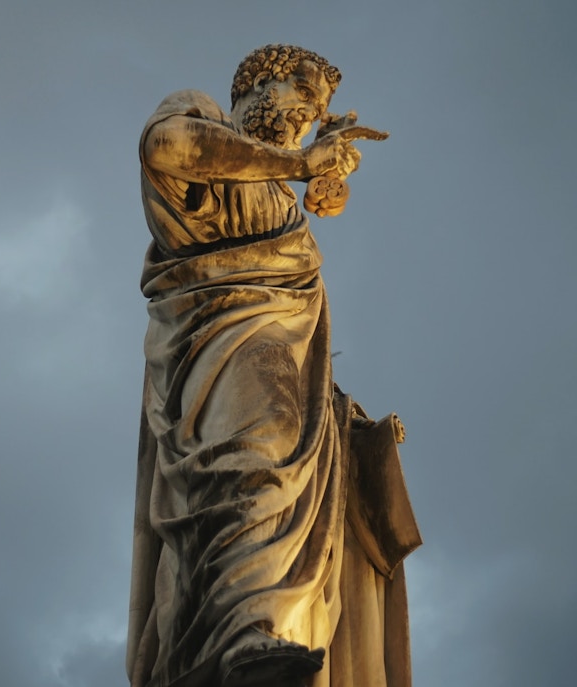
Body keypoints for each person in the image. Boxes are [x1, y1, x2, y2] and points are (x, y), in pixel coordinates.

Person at [128, 45, 420, 687]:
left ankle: (264, 632)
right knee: (252, 460)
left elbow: (297, 349)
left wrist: (345, 423)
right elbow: (166, 147)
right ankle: (249, 632)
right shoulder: (199, 114)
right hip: (215, 341)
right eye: (300, 95)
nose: (306, 117)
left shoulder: (281, 199)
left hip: (273, 365)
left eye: (316, 114)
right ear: (259, 81)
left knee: (277, 456)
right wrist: (296, 164)